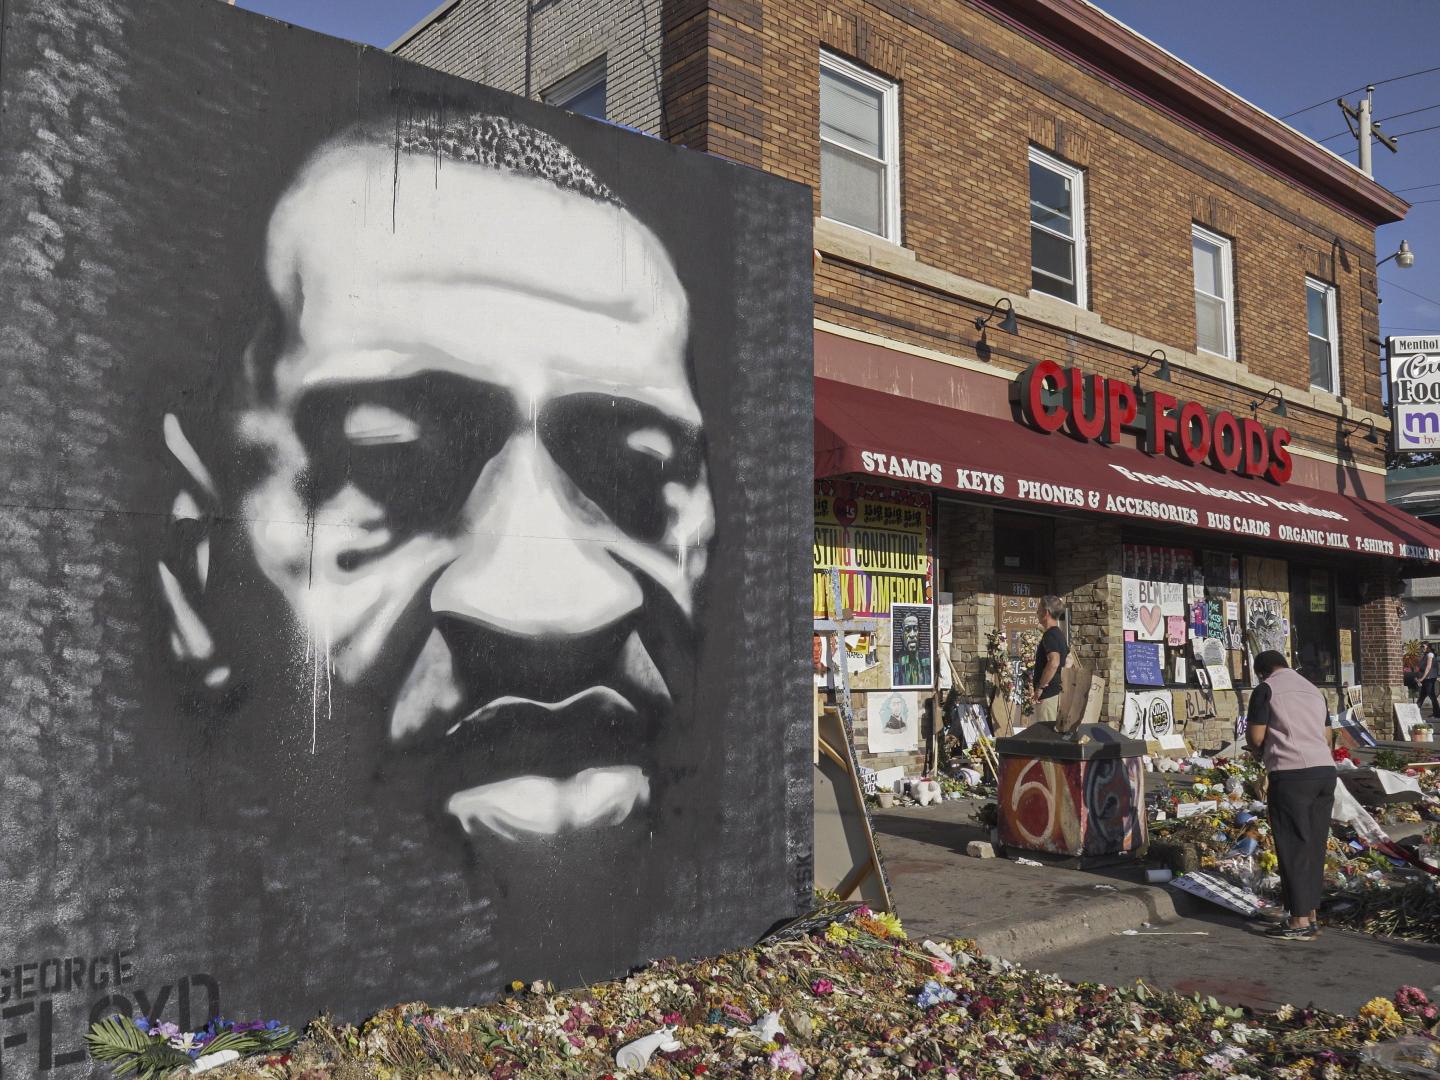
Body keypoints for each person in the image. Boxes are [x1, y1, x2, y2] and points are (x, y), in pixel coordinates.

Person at [1245, 650, 1336, 941]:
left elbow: (1257, 736)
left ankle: (1298, 921)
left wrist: (1258, 752)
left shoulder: (1265, 689)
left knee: (1294, 844)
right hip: (1325, 771)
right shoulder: (1313, 690)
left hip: (1291, 773)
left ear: (1261, 671)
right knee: (1313, 844)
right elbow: (1328, 735)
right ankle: (1310, 913)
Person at [1030, 595, 1069, 725]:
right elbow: (1069, 661)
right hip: (1057, 692)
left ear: (1046, 613)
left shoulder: (1050, 635)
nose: (1037, 613)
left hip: (1049, 695)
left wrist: (1040, 687)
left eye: (1039, 609)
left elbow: (1054, 662)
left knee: (1046, 735)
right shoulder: (1059, 634)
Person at [1419, 643, 1439, 717]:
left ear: (1428, 647)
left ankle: (1437, 713)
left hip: (1430, 678)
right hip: (1427, 678)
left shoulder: (1430, 654)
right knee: (1422, 695)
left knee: (1431, 695)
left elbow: (1428, 667)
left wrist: (1422, 678)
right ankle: (1416, 711)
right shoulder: (1425, 655)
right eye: (1421, 646)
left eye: (1423, 646)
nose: (1422, 648)